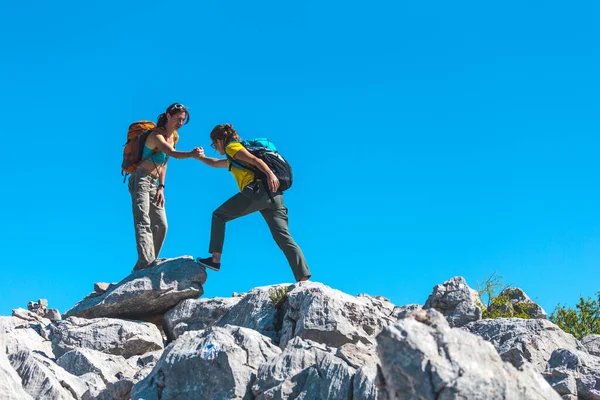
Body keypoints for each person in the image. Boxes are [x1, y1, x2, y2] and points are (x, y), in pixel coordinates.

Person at [194, 123, 311, 282]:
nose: (215, 147)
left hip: (258, 191)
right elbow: (215, 163)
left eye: (214, 143)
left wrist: (270, 174)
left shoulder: (232, 148)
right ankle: (303, 277)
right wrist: (200, 158)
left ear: (219, 140)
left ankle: (215, 260)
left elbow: (255, 160)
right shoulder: (235, 155)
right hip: (275, 195)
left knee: (219, 215)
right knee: (283, 237)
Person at [129, 103, 201, 271]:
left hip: (154, 184)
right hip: (140, 179)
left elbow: (164, 163)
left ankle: (147, 261)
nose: (180, 123)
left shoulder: (174, 137)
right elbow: (172, 153)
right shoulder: (156, 136)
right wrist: (191, 154)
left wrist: (161, 186)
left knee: (162, 225)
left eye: (183, 120)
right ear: (168, 116)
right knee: (143, 220)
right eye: (178, 119)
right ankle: (146, 263)